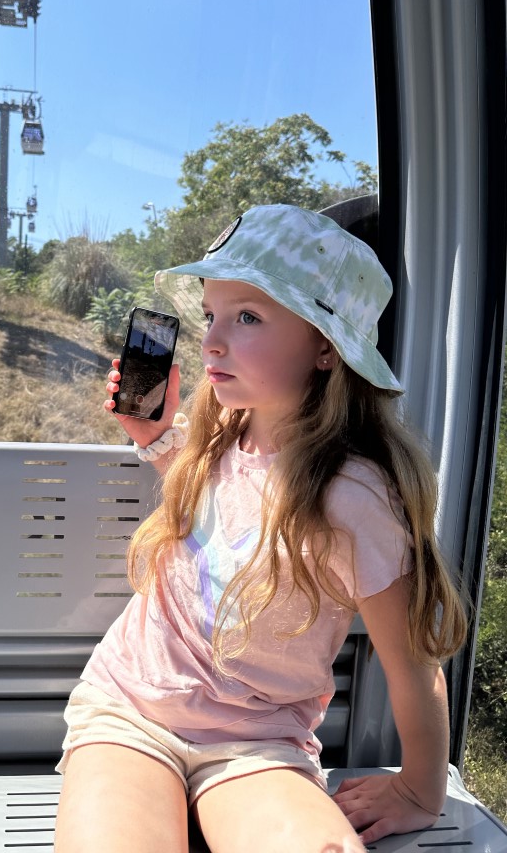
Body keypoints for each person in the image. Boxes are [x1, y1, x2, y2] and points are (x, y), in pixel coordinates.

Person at [53, 204, 468, 853]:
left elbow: (412, 663)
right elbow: (214, 512)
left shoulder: (356, 499)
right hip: (129, 710)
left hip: (255, 743)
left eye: (247, 317)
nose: (212, 341)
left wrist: (420, 789)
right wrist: (154, 436)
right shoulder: (225, 430)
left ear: (326, 347)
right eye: (211, 315)